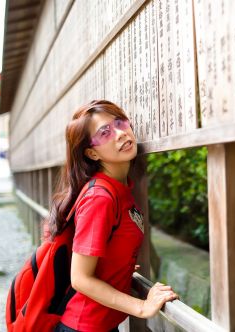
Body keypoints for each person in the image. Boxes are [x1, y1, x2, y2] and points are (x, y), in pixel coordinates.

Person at [47, 100, 178, 332]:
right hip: (84, 326)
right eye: (105, 132)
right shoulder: (100, 197)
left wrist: (119, 266)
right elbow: (79, 278)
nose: (120, 133)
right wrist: (142, 307)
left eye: (120, 123)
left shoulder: (120, 188)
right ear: (91, 153)